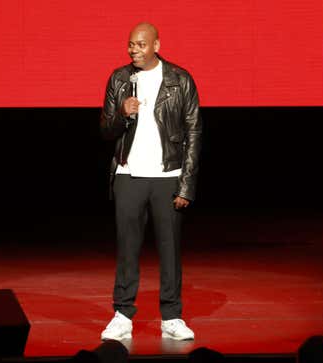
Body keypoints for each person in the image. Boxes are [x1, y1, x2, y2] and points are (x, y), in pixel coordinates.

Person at [99, 22, 202, 341]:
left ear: (156, 45)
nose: (134, 50)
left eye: (141, 45)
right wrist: (121, 113)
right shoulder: (119, 79)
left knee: (169, 249)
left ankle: (171, 316)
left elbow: (194, 133)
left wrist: (186, 184)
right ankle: (122, 314)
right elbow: (105, 130)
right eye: (131, 44)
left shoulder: (179, 79)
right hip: (128, 175)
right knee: (127, 248)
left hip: (167, 176)